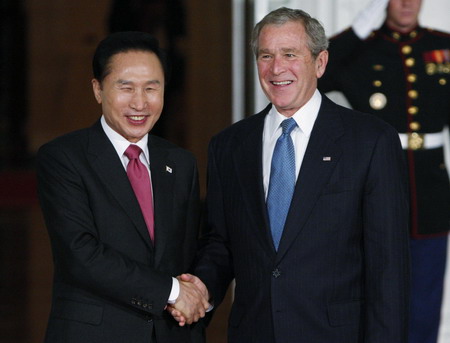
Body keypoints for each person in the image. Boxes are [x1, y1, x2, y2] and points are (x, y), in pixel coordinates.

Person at [182, 7, 410, 343]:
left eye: (290, 54)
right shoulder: (229, 146)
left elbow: (388, 268)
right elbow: (222, 243)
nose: (276, 68)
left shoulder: (370, 141)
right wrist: (200, 288)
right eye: (266, 55)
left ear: (320, 63)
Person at [37, 31, 209, 343]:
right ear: (98, 90)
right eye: (125, 87)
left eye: (151, 88)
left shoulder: (180, 162)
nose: (140, 102)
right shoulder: (63, 158)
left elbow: (187, 254)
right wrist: (172, 292)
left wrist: (196, 294)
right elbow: (81, 255)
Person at [317, 1, 450, 342]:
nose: (406, 3)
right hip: (373, 186)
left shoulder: (442, 46)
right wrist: (359, 29)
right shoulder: (361, 48)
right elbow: (315, 76)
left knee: (425, 298)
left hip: (430, 190)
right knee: (373, 294)